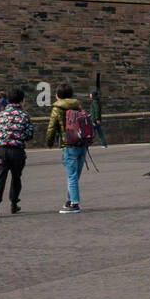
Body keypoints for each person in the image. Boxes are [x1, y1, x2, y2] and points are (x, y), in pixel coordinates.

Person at [0, 88, 34, 217]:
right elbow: (29, 135)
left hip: (1, 151)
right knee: (16, 178)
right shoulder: (24, 115)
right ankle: (13, 203)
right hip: (17, 151)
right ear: (22, 101)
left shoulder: (0, 114)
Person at [45, 83, 90, 214]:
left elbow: (51, 128)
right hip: (82, 144)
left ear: (58, 95)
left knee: (72, 175)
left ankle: (74, 204)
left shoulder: (57, 108)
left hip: (69, 145)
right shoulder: (78, 106)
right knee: (75, 175)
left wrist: (49, 143)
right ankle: (70, 200)